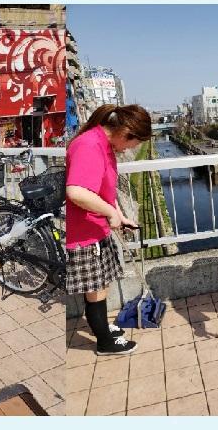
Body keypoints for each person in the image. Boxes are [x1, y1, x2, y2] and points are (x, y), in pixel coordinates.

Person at [65, 104, 152, 355]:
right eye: (134, 143)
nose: (131, 148)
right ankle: (104, 342)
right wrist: (111, 212)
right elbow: (77, 192)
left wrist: (119, 215)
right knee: (95, 290)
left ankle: (101, 328)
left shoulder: (103, 144)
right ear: (125, 131)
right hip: (85, 233)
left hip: (96, 229)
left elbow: (102, 189)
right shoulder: (89, 145)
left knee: (100, 286)